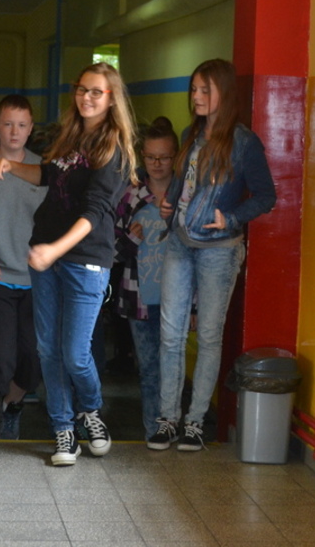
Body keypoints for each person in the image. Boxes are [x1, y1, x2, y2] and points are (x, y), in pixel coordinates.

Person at [0, 63, 137, 466]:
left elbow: (94, 212)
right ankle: (63, 430)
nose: (86, 97)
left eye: (96, 92)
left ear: (111, 99)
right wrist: (12, 167)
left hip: (85, 261)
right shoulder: (70, 136)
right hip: (47, 258)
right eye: (82, 89)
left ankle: (90, 409)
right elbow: (48, 176)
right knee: (48, 349)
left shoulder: (113, 148)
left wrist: (55, 250)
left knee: (74, 353)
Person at [150, 59, 276, 452]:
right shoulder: (190, 133)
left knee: (207, 336)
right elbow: (185, 186)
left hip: (219, 250)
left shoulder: (244, 142)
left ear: (225, 92)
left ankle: (194, 423)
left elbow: (266, 196)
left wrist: (231, 218)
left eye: (205, 90)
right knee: (170, 335)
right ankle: (168, 420)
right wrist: (169, 205)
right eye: (194, 90)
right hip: (179, 243)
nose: (197, 97)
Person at [0, 95, 47, 440]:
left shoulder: (42, 170)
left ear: (30, 129)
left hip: (36, 280)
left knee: (32, 358)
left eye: (22, 125)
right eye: (8, 124)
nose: (14, 131)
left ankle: (12, 407)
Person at [113, 117, 177, 442]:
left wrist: (195, 305)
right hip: (139, 297)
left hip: (177, 296)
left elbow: (198, 250)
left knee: (173, 366)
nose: (157, 163)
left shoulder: (184, 195)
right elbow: (112, 250)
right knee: (150, 367)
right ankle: (154, 429)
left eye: (164, 157)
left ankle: (172, 424)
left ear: (175, 158)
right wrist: (129, 241)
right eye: (151, 157)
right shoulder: (131, 195)